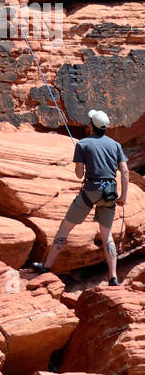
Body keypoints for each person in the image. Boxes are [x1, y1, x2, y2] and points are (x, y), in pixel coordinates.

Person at [32, 110, 129, 285]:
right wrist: (123, 196)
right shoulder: (115, 145)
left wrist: (82, 161)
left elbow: (79, 175)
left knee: (65, 228)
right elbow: (125, 171)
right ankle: (113, 277)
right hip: (109, 193)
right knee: (107, 236)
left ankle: (47, 266)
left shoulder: (83, 144)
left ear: (92, 125)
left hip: (90, 191)